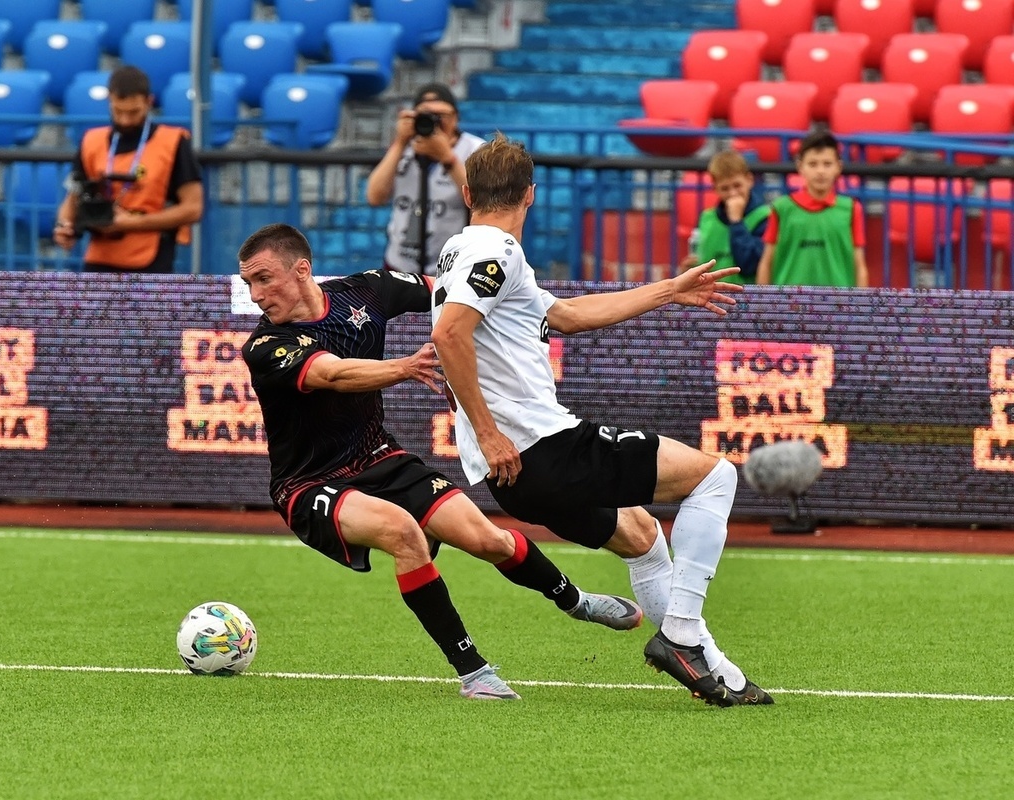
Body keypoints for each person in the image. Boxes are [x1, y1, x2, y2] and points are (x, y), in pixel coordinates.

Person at [430, 133, 773, 707]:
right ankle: (682, 635)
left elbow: (564, 315)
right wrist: (491, 434)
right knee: (716, 477)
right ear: (531, 195)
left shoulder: (463, 251)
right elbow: (448, 334)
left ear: (467, 192)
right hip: (540, 448)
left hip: (513, 474)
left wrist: (668, 290)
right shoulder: (497, 252)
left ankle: (717, 674)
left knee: (641, 536)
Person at [238, 223, 645, 701]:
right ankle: (474, 672)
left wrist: (503, 313)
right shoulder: (263, 347)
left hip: (379, 458)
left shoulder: (366, 290)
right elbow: (333, 373)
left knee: (487, 539)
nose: (256, 295)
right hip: (308, 485)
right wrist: (405, 367)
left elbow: (454, 293)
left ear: (301, 269)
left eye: (263, 279)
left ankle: (576, 601)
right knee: (402, 532)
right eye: (249, 283)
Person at [53, 65, 203, 274]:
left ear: (149, 102)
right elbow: (72, 197)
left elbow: (193, 208)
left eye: (134, 112)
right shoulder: (91, 141)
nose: (125, 119)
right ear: (109, 100)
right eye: (118, 111)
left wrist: (131, 223)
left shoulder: (173, 141)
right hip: (99, 257)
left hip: (151, 259)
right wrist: (64, 225)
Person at [365, 83, 485, 275]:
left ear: (456, 118)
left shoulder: (474, 149)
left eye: (442, 116)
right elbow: (374, 196)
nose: (435, 122)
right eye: (426, 115)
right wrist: (400, 142)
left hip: (453, 266)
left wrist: (447, 158)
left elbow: (483, 200)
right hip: (400, 264)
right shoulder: (404, 148)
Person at [757, 130, 868, 287]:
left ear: (838, 167)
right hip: (789, 304)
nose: (820, 171)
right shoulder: (781, 208)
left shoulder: (851, 209)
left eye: (827, 164)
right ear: (800, 166)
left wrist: (860, 306)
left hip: (839, 305)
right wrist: (763, 306)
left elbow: (860, 265)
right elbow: (766, 262)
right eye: (813, 164)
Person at [681, 149, 770, 285]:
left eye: (737, 185)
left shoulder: (765, 217)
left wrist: (736, 221)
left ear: (749, 180)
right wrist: (688, 269)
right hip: (709, 298)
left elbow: (750, 265)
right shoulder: (706, 218)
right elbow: (699, 257)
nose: (733, 193)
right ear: (715, 188)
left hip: (747, 299)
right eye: (725, 188)